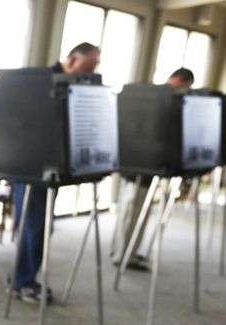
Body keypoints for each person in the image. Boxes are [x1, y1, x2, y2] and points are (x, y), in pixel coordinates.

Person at [11, 43, 101, 303]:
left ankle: (21, 278)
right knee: (34, 226)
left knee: (39, 226)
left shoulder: (76, 84)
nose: (93, 71)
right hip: (29, 165)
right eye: (90, 65)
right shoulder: (39, 80)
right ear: (73, 59)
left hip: (53, 166)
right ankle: (24, 282)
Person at [110, 68, 195, 270]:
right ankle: (123, 255)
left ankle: (124, 251)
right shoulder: (166, 99)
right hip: (142, 166)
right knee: (132, 210)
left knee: (132, 210)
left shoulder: (149, 95)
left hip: (133, 163)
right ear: (182, 81)